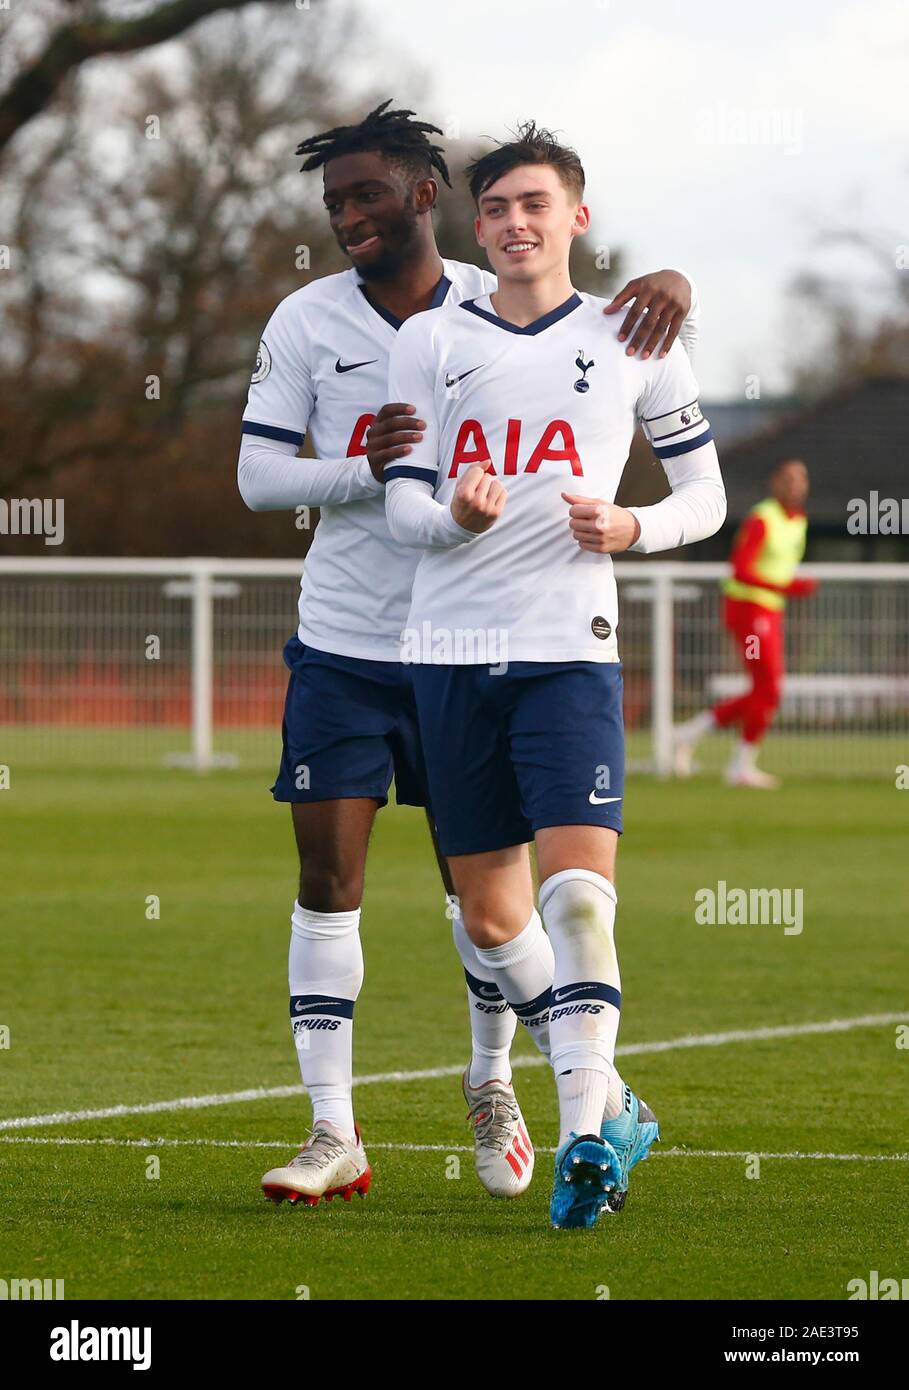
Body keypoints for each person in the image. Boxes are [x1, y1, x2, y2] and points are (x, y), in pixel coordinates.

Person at [238, 101, 700, 1208]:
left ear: (426, 198)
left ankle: (497, 1080)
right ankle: (334, 1129)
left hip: (495, 642)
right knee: (333, 878)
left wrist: (675, 286)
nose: (350, 216)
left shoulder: (503, 304)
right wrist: (374, 469)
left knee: (484, 904)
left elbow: (612, 356)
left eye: (367, 196)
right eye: (335, 201)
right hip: (354, 642)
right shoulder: (313, 321)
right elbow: (260, 480)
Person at [384, 121, 726, 1228]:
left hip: (569, 649)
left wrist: (634, 522)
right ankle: (614, 1093)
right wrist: (450, 517)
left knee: (580, 895)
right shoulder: (429, 343)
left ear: (577, 217)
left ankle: (583, 1134)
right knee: (491, 920)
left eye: (537, 203)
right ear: (476, 228)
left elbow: (706, 498)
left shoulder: (637, 334)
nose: (516, 222)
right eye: (496, 209)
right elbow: (400, 504)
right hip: (445, 652)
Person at [673, 458, 817, 789]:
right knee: (768, 687)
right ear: (774, 482)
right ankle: (738, 764)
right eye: (789, 478)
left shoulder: (799, 520)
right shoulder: (762, 518)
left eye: (801, 478)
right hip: (748, 609)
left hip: (768, 610)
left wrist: (785, 589)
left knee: (765, 689)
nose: (796, 485)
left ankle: (691, 736)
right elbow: (741, 569)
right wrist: (788, 587)